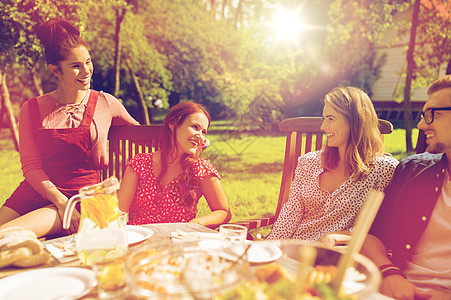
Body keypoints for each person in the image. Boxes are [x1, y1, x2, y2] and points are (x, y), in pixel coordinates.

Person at [0, 19, 139, 238]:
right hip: (39, 192)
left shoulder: (105, 103)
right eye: (76, 66)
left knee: (4, 236)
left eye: (88, 62)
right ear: (54, 70)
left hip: (81, 197)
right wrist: (59, 199)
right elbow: (31, 166)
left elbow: (142, 137)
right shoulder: (32, 108)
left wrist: (191, 138)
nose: (86, 71)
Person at [266, 86, 398, 242]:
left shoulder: (383, 169)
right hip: (294, 247)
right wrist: (268, 246)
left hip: (338, 253)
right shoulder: (308, 162)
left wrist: (340, 237)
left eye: (330, 119)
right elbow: (292, 212)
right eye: (324, 119)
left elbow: (382, 224)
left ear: (355, 120)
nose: (323, 127)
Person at [362, 75, 451, 300]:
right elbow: (371, 237)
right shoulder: (412, 170)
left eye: (432, 114)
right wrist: (390, 274)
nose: (422, 124)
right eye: (423, 116)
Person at [118, 102, 231, 228]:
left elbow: (223, 211)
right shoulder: (140, 165)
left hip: (178, 240)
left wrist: (196, 223)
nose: (200, 136)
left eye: (203, 132)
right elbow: (119, 211)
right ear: (173, 124)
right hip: (141, 240)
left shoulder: (201, 169)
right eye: (195, 127)